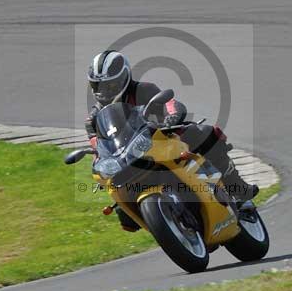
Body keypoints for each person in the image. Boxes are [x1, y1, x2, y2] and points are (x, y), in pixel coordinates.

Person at [85, 50, 258, 230]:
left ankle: (237, 188)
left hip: (165, 138)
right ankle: (161, 220)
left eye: (110, 85)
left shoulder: (144, 89)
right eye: (98, 86)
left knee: (206, 134)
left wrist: (172, 116)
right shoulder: (93, 118)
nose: (104, 90)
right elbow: (98, 148)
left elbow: (170, 104)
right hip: (129, 158)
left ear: (124, 77)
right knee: (123, 211)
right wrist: (100, 163)